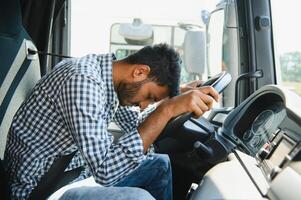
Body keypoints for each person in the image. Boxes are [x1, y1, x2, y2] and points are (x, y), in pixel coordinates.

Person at [4, 43, 218, 200]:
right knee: (139, 199)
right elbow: (106, 170)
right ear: (140, 72)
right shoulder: (83, 81)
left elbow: (135, 126)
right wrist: (165, 110)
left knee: (160, 165)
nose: (145, 105)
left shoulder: (109, 82)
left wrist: (173, 98)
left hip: (71, 172)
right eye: (150, 97)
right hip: (41, 190)